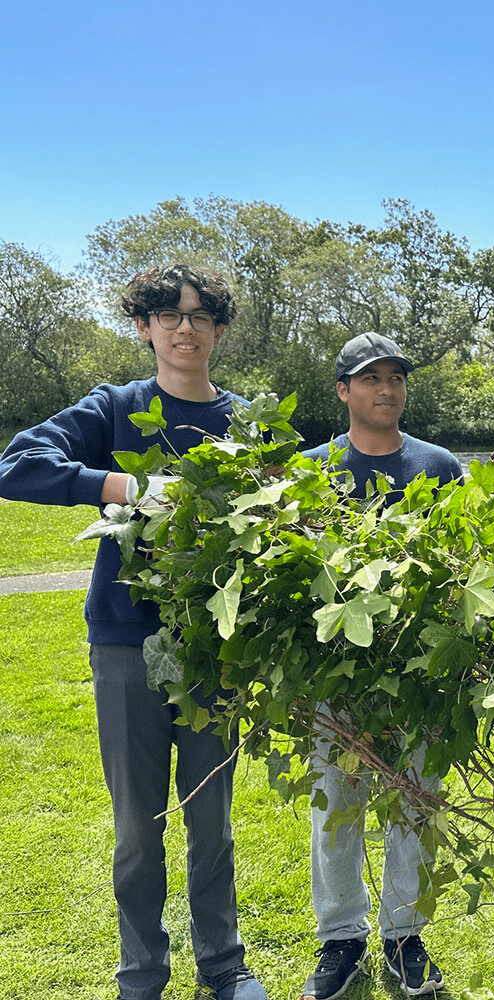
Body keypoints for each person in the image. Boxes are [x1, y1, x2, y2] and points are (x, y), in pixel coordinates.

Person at [0, 264, 266, 1000]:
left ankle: (226, 965)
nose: (186, 327)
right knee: (138, 826)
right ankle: (141, 974)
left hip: (216, 647)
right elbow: (16, 465)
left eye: (201, 315)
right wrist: (126, 487)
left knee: (210, 818)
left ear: (219, 328)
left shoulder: (247, 422)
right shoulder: (117, 408)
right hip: (124, 643)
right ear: (143, 326)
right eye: (167, 314)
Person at [298, 332, 462, 1000]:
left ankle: (404, 937)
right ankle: (341, 940)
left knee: (415, 805)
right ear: (342, 390)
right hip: (335, 677)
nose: (386, 390)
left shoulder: (439, 465)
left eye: (395, 378)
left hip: (419, 675)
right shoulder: (308, 472)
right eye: (370, 379)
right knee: (336, 808)